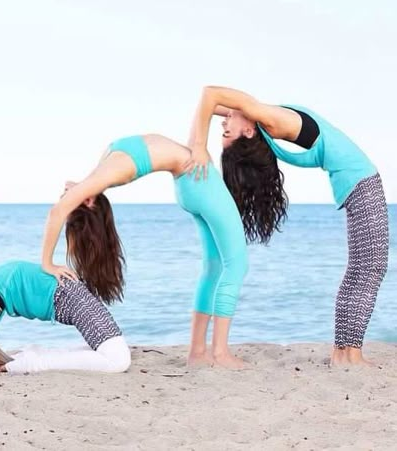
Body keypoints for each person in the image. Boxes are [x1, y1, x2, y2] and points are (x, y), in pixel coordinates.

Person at [185, 85, 389, 366]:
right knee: (369, 268)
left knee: (361, 269)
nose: (224, 121)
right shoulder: (265, 120)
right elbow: (213, 98)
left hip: (355, 185)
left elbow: (210, 98)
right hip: (362, 183)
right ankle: (347, 353)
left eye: (226, 126)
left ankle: (345, 353)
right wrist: (201, 141)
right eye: (227, 128)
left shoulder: (264, 119)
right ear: (247, 132)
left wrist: (198, 145)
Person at [42, 133, 248, 369]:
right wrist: (47, 262)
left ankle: (198, 352)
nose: (65, 197)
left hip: (189, 184)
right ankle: (220, 353)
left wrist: (75, 189)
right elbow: (56, 212)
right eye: (70, 202)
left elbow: (71, 190)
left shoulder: (97, 176)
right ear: (88, 202)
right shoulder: (105, 174)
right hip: (199, 179)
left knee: (214, 268)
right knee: (236, 265)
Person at [0, 200, 131, 374]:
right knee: (110, 352)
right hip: (63, 293)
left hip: (64, 294)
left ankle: (27, 362)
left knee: (117, 361)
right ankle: (31, 356)